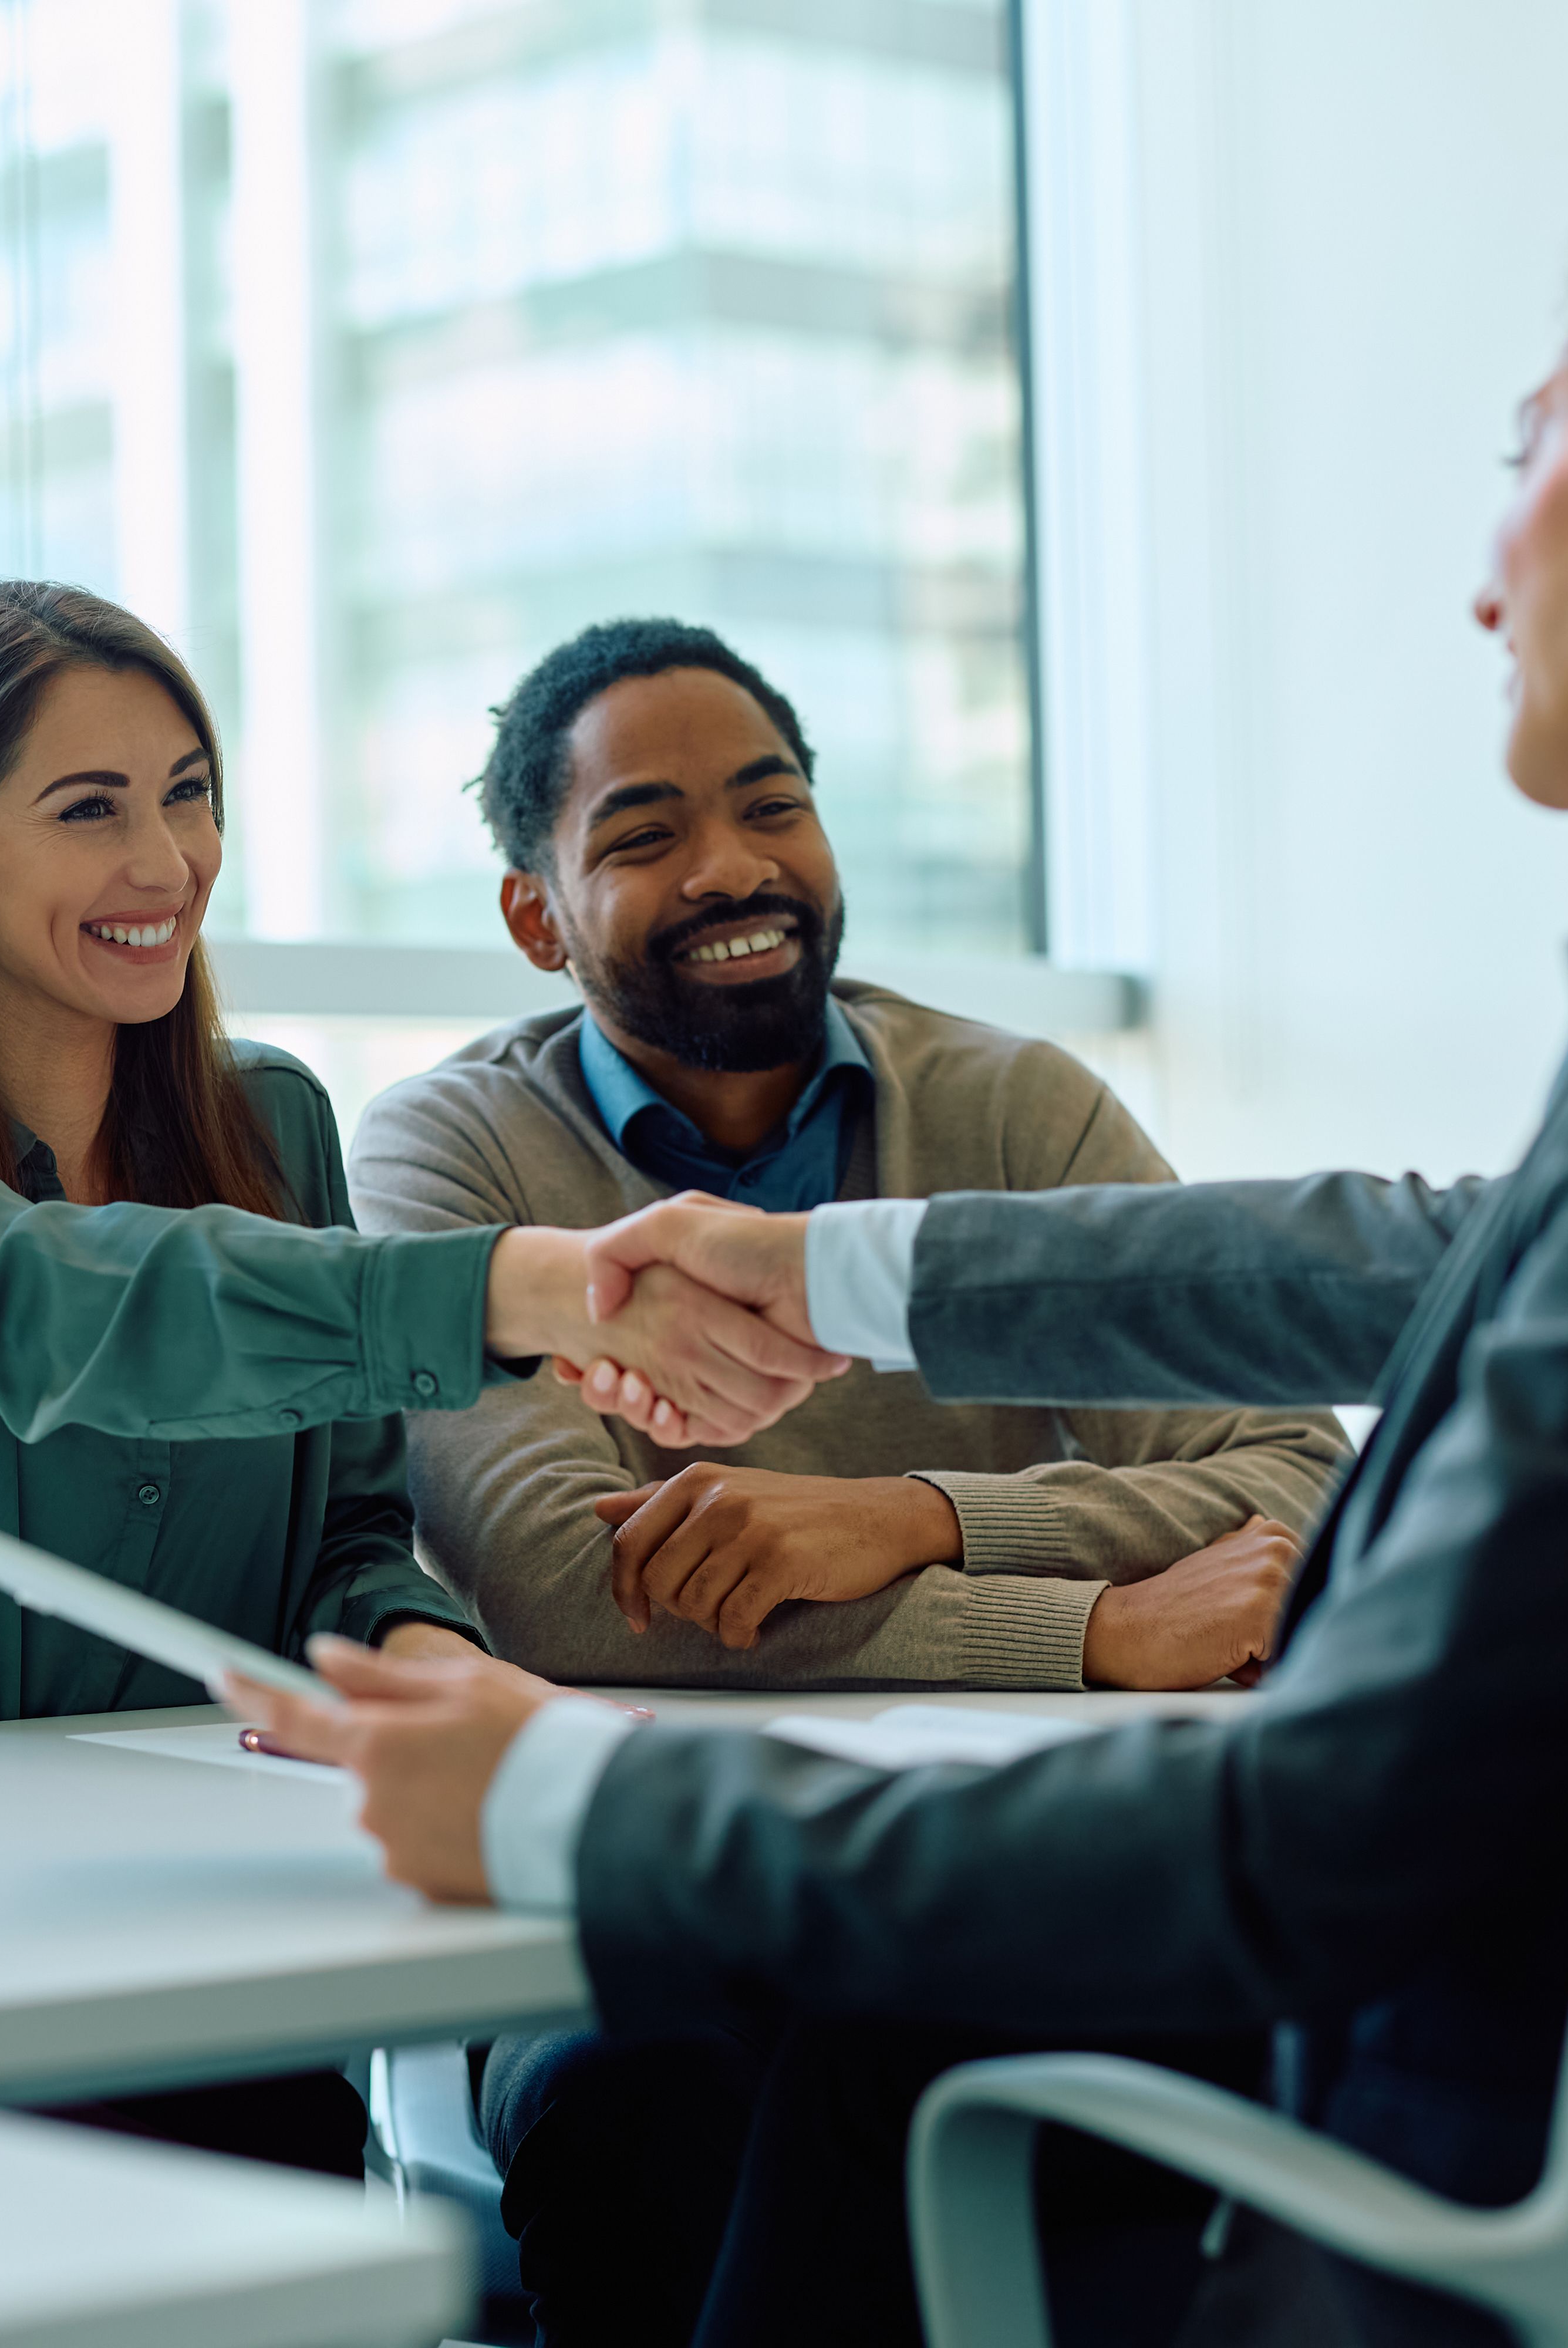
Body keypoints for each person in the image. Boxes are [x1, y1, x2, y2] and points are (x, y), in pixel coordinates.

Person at [230, 70, 1568, 2343]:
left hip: (1504, 2229)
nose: (1490, 563)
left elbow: (1312, 1844)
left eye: (1527, 441)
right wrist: (823, 1265)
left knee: (820, 2065)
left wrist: (589, 1817)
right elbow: (1423, 1254)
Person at [0, 579, 844, 2169]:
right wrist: (523, 1285)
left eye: (186, 796)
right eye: (89, 811)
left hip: (211, 1923)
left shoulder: (270, 1123)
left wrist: (441, 1668)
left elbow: (344, 1545)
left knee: (695, 2062)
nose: (164, 867)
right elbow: (40, 1305)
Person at [352, 616, 1348, 2340]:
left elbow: (1294, 1481)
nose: (735, 867)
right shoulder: (452, 1154)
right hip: (643, 1886)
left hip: (993, 1863)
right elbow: (571, 1593)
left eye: (773, 806)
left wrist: (921, 1517)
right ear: (537, 915)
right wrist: (1091, 1633)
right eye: (645, 834)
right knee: (649, 2102)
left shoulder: (1015, 1107)